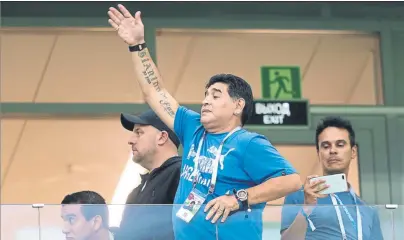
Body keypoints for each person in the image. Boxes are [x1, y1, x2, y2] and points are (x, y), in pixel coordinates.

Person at [107, 4, 302, 240]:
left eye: (216, 95)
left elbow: (291, 180)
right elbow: (154, 92)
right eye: (206, 95)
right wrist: (137, 45)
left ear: (238, 106)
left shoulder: (249, 143)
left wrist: (238, 198)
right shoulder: (192, 127)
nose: (206, 101)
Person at [280, 116, 384, 240]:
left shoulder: (367, 210)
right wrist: (306, 208)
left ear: (353, 151)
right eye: (325, 146)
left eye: (340, 145)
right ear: (318, 153)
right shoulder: (299, 196)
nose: (333, 150)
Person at [116, 110, 182, 240]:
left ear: (162, 137)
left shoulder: (182, 174)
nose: (130, 140)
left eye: (139, 133)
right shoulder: (135, 193)